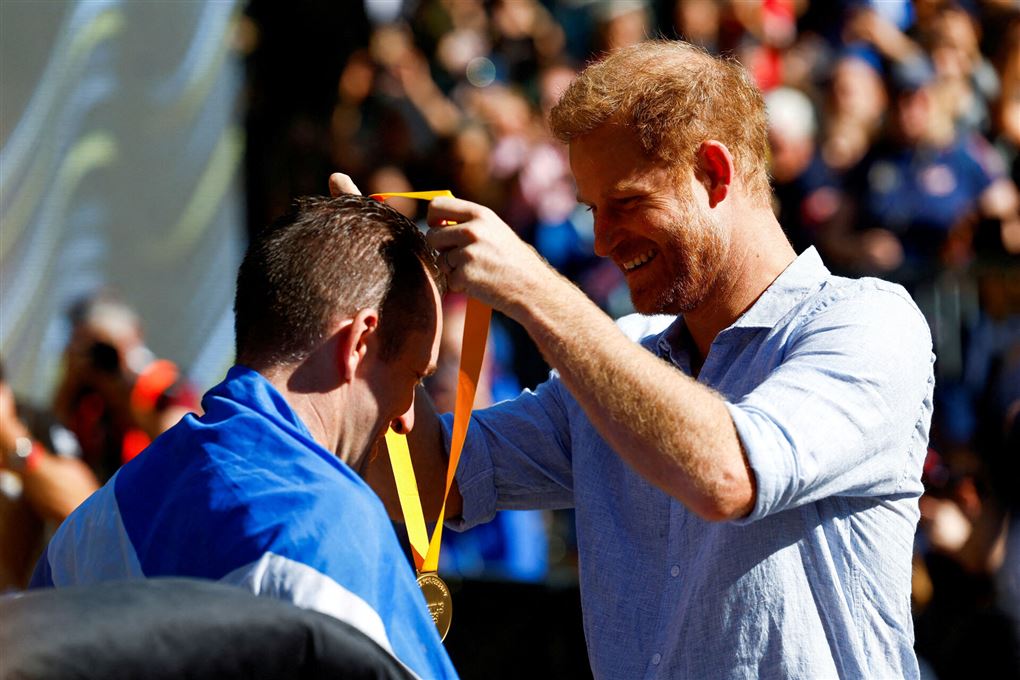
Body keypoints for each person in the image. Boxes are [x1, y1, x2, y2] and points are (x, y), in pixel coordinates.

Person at [337, 39, 935, 678]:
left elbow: (729, 473)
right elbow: (428, 484)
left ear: (713, 173)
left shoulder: (868, 322)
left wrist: (535, 290)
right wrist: (378, 322)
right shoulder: (621, 355)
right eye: (594, 210)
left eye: (625, 203)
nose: (599, 240)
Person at [30, 195, 457, 679]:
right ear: (360, 342)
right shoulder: (329, 526)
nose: (406, 417)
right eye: (413, 377)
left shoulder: (87, 529)